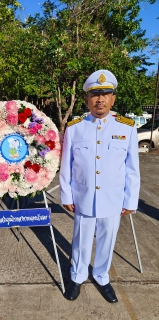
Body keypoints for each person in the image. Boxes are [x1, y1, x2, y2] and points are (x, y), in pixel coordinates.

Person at [59, 69, 140, 303]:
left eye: (106, 94)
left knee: (107, 240)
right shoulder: (75, 127)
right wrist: (66, 194)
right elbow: (67, 164)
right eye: (95, 94)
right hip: (83, 196)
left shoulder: (126, 127)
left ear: (113, 98)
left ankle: (102, 276)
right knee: (81, 239)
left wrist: (130, 201)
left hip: (113, 198)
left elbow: (132, 168)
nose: (100, 99)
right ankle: (77, 276)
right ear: (87, 99)